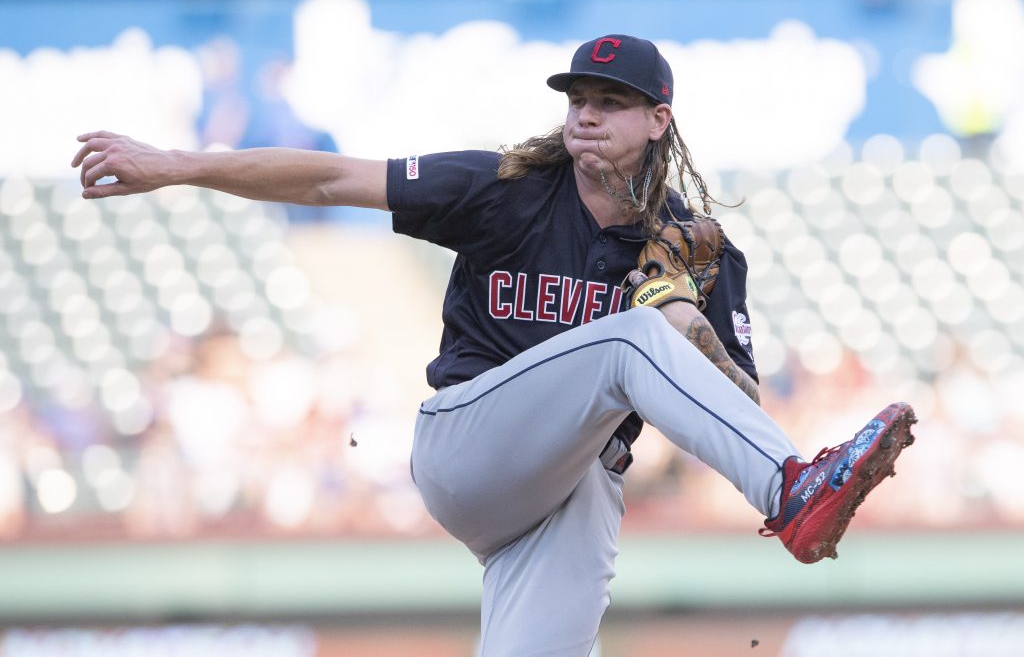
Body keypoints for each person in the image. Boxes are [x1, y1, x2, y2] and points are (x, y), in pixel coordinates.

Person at [72, 34, 916, 656]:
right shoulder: (503, 188)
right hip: (466, 445)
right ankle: (791, 487)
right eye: (578, 98)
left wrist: (696, 334)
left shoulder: (697, 248)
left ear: (658, 120)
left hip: (570, 488)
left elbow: (739, 406)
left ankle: (790, 486)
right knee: (627, 340)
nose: (587, 114)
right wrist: (179, 165)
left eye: (611, 101)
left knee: (604, 457)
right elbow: (333, 178)